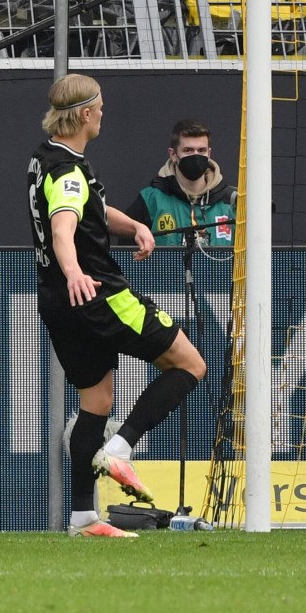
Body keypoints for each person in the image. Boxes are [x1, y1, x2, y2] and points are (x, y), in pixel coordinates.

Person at [28, 74, 208, 538]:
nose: (105, 114)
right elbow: (64, 226)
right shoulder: (69, 171)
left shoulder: (48, 159)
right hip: (95, 294)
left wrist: (134, 227)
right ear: (85, 114)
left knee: (96, 400)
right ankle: (122, 449)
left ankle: (84, 519)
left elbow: (92, 209)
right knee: (190, 364)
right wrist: (75, 271)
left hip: (59, 302)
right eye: (101, 107)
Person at [126, 118, 237, 247]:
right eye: (188, 150)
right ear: (173, 154)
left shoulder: (230, 202)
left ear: (209, 153)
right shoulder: (151, 200)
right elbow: (127, 257)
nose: (196, 156)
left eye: (201, 150)